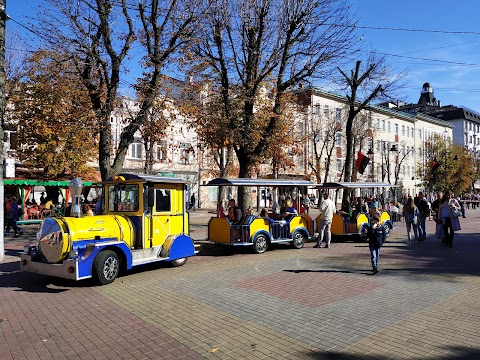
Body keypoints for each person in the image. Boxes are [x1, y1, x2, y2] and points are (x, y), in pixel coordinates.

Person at [368, 206, 385, 275]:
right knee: (373, 256)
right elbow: (369, 235)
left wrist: (382, 242)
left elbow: (384, 235)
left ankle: (376, 265)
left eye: (377, 220)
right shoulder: (371, 227)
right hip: (372, 244)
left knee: (377, 256)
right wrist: (373, 229)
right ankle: (374, 267)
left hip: (378, 244)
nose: (375, 222)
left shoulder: (381, 228)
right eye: (374, 220)